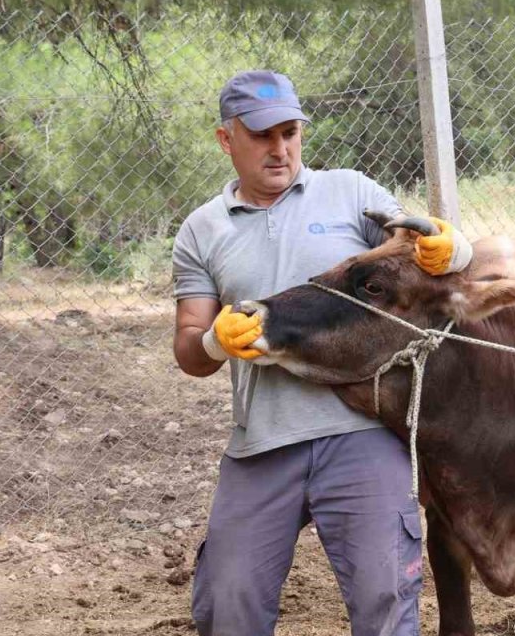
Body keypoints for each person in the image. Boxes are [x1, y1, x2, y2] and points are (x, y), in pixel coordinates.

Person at [171, 70, 471, 636]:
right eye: (261, 135)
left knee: (387, 595)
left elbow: (426, 248)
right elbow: (190, 348)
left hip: (360, 432)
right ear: (225, 139)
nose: (279, 148)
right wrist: (212, 341)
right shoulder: (202, 230)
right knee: (226, 604)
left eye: (290, 132)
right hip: (262, 443)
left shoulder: (351, 193)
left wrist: (453, 246)